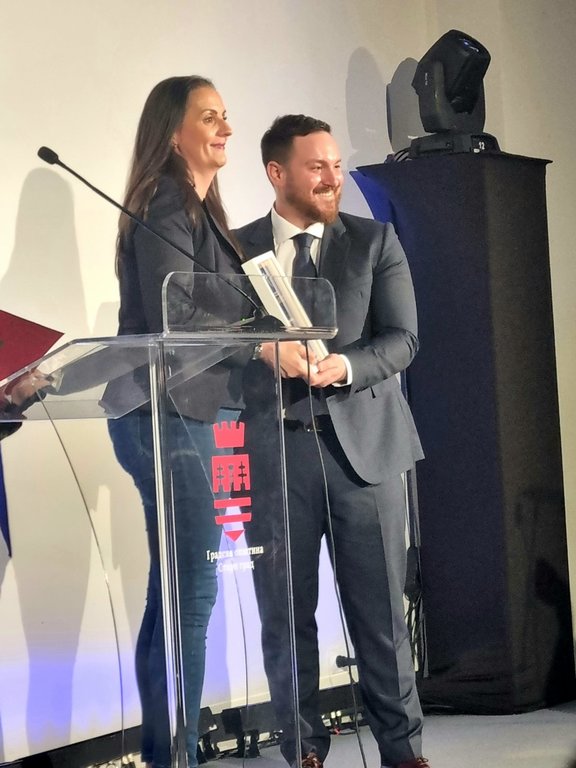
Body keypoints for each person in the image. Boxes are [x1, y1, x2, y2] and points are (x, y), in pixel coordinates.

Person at [235, 115, 429, 768]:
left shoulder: (375, 241)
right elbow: (214, 341)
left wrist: (344, 366)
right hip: (277, 454)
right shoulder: (237, 250)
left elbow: (403, 338)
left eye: (337, 165)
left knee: (380, 616)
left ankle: (403, 751)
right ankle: (304, 751)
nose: (332, 178)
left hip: (365, 454)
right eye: (316, 166)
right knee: (286, 616)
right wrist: (262, 349)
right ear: (277, 173)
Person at [106, 76, 250, 768]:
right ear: (172, 133)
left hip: (189, 411)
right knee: (191, 590)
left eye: (226, 116)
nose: (226, 128)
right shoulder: (166, 200)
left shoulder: (200, 209)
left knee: (173, 593)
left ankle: (168, 753)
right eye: (210, 117)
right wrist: (258, 333)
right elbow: (176, 311)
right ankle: (177, 757)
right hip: (165, 412)